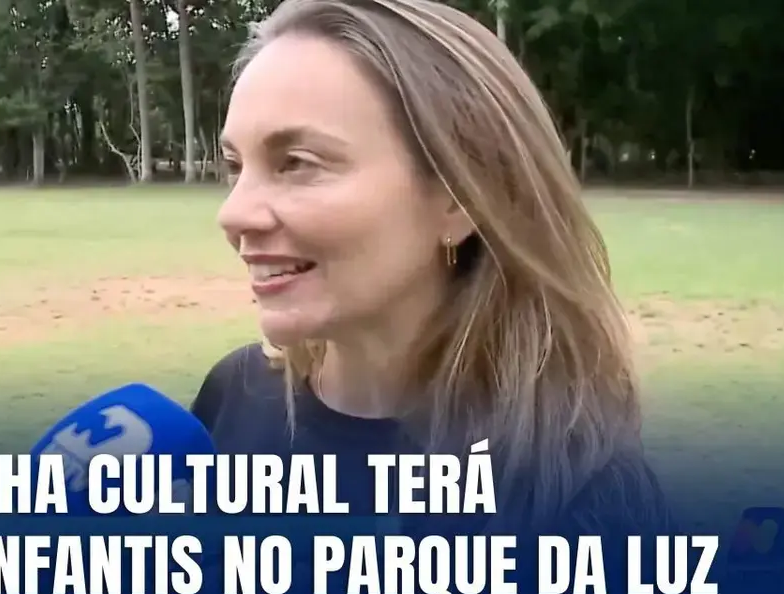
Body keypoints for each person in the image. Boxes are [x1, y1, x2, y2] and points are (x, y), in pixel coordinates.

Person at [189, 0, 674, 537]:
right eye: (235, 166)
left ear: (458, 198)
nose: (233, 214)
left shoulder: (577, 496)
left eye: (297, 163)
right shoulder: (233, 397)